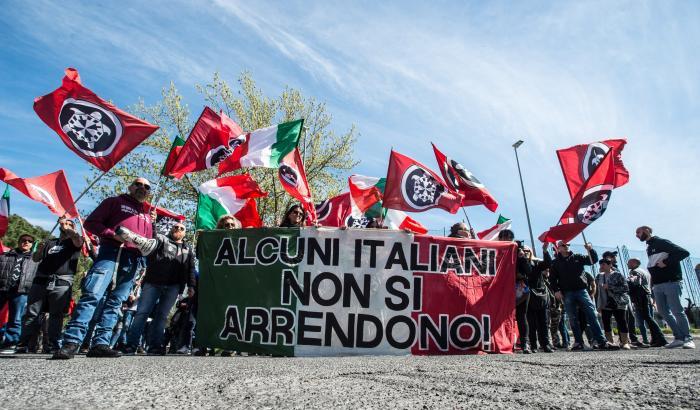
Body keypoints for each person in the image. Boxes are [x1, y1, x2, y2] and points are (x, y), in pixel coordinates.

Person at [52, 178, 153, 360]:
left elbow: (147, 243)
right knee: (92, 295)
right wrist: (113, 235)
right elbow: (92, 223)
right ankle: (71, 342)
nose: (142, 188)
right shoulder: (114, 202)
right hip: (110, 253)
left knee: (116, 302)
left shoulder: (146, 216)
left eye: (147, 187)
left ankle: (101, 343)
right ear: (130, 187)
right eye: (138, 184)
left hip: (131, 260)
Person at [122, 222, 196, 355]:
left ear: (185, 233)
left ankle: (155, 346)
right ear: (171, 229)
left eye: (181, 228)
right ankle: (131, 345)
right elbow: (151, 238)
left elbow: (191, 268)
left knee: (162, 316)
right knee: (142, 313)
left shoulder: (188, 249)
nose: (178, 229)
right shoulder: (161, 239)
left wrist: (191, 286)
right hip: (153, 283)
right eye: (175, 226)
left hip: (174, 286)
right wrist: (153, 223)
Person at [15, 217, 83, 354]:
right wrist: (39, 251)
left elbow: (77, 239)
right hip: (41, 280)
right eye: (65, 224)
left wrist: (68, 228)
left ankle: (53, 344)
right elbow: (35, 259)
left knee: (56, 314)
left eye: (70, 225)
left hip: (61, 282)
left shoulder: (75, 242)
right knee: (31, 313)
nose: (66, 226)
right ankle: (24, 343)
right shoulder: (49, 242)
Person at [547, 241, 615, 350]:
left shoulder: (577, 257)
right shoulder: (555, 263)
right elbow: (553, 279)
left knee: (592, 314)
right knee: (573, 318)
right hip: (567, 292)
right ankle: (578, 342)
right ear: (558, 248)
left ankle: (601, 341)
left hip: (582, 290)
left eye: (568, 244)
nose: (567, 246)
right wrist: (556, 290)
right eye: (563, 245)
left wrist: (590, 250)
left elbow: (593, 260)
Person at [636, 226, 694, 349]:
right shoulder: (649, 247)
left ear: (646, 231)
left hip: (671, 282)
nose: (637, 235)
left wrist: (666, 262)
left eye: (638, 232)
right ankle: (678, 337)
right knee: (663, 311)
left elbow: (684, 252)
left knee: (677, 310)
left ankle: (688, 338)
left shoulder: (661, 242)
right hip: (657, 285)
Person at [0, 234, 39, 353]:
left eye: (30, 241)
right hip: (2, 289)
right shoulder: (5, 255)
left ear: (32, 244)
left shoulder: (35, 259)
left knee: (15, 318)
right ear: (18, 242)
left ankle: (10, 344)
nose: (26, 242)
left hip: (21, 291)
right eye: (23, 240)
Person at [602, 250, 646, 348]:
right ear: (608, 258)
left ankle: (627, 340)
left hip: (622, 297)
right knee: (622, 319)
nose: (615, 257)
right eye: (613, 256)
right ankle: (627, 340)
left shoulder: (615, 269)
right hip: (616, 298)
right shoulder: (607, 270)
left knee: (626, 318)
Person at [498, 229, 532, 353]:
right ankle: (502, 342)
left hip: (519, 287)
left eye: (508, 238)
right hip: (502, 288)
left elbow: (529, 271)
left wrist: (522, 258)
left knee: (521, 316)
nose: (505, 240)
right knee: (500, 315)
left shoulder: (518, 251)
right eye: (503, 237)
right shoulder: (496, 251)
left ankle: (525, 344)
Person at [627, 258, 667, 347]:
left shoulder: (635, 272)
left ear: (635, 263)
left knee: (647, 318)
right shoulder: (645, 272)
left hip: (640, 297)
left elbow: (635, 282)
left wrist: (627, 283)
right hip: (646, 296)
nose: (627, 264)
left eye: (629, 262)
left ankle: (660, 338)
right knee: (648, 318)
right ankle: (656, 339)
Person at [595, 259, 630, 349]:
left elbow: (625, 288)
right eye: (600, 265)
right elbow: (597, 291)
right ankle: (610, 342)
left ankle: (625, 342)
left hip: (618, 302)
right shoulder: (599, 276)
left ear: (610, 264)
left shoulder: (617, 274)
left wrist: (610, 287)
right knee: (606, 322)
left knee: (621, 321)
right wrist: (598, 304)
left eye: (603, 264)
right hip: (605, 303)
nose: (601, 267)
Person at [526, 243, 554, 353]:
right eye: (524, 251)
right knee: (531, 323)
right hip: (528, 296)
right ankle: (533, 345)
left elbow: (548, 263)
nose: (526, 253)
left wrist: (545, 251)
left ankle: (545, 344)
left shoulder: (537, 263)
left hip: (540, 295)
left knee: (543, 322)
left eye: (528, 251)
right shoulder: (519, 264)